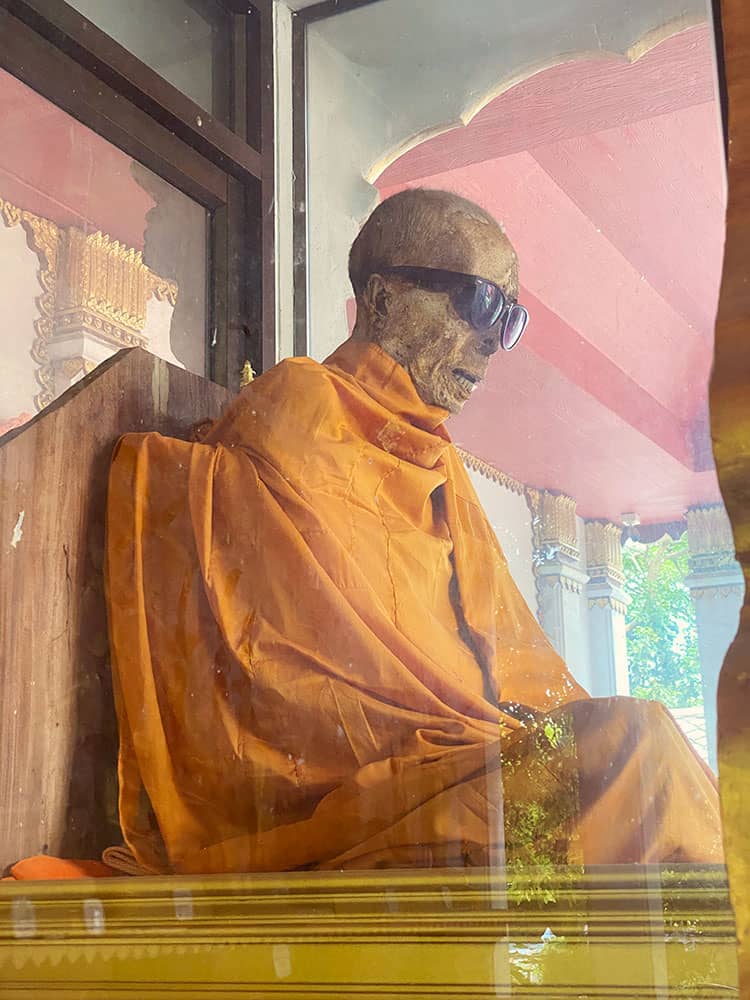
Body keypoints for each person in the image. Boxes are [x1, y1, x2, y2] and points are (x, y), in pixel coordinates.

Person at [105, 189, 723, 875]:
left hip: (460, 752)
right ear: (383, 299)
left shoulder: (435, 456)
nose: (493, 340)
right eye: (478, 302)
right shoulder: (305, 404)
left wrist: (532, 737)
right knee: (641, 751)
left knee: (644, 750)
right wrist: (471, 738)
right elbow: (295, 666)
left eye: (509, 319)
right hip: (375, 772)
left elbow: (512, 659)